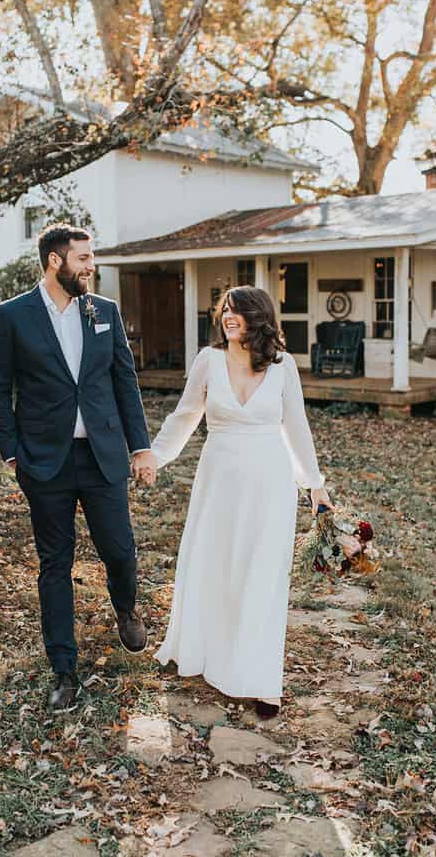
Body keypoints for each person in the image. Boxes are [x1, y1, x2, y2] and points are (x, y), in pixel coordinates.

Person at [0, 223, 158, 711]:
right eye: (83, 257)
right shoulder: (13, 316)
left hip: (102, 456)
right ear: (56, 261)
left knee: (120, 550)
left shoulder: (104, 311)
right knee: (54, 566)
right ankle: (64, 670)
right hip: (44, 462)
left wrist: (140, 447)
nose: (91, 265)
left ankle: (126, 607)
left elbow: (124, 380)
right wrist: (12, 454)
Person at [151, 285, 333, 718]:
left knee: (264, 577)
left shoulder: (283, 365)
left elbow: (297, 427)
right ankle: (206, 654)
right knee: (214, 567)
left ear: (259, 316)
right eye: (225, 310)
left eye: (238, 310)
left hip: (270, 485)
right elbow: (185, 416)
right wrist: (154, 457)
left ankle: (264, 682)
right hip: (219, 482)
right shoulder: (209, 360)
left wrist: (315, 484)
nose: (229, 316)